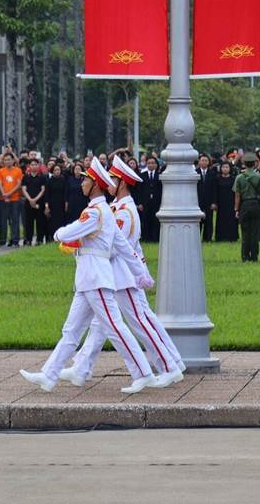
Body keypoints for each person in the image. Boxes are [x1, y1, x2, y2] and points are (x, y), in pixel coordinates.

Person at [20, 157, 157, 394]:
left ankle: (143, 373)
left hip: (96, 278)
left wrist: (59, 234)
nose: (82, 183)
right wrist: (140, 272)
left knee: (115, 328)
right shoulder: (104, 211)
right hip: (88, 278)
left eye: (86, 180)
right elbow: (125, 247)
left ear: (95, 185)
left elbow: (69, 233)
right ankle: (49, 375)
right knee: (71, 330)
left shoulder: (95, 213)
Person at [60, 155, 184, 387]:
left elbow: (117, 247)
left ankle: (170, 365)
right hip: (115, 273)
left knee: (139, 322)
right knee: (102, 324)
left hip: (122, 274)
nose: (108, 183)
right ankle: (81, 367)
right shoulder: (117, 208)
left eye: (113, 179)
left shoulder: (124, 211)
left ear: (123, 183)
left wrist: (83, 244)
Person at [233, 152, 260, 262]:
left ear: (244, 163)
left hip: (244, 205)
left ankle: (245, 257)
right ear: (255, 163)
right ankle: (254, 257)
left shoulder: (239, 177)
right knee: (255, 233)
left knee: (245, 233)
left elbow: (237, 195)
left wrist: (236, 209)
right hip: (256, 205)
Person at [0, 151, 23, 247]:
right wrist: (4, 194)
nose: (7, 161)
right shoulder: (0, 171)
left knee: (14, 220)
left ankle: (15, 240)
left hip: (15, 199)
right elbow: (0, 184)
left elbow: (19, 184)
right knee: (3, 220)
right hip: (3, 199)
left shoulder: (18, 170)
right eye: (5, 160)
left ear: (13, 160)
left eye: (9, 159)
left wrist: (9, 194)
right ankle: (2, 240)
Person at [21, 158, 47, 245]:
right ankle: (29, 239)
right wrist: (30, 200)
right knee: (29, 222)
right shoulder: (26, 177)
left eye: (36, 164)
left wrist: (35, 199)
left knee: (40, 221)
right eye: (32, 165)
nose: (34, 166)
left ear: (38, 166)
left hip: (39, 202)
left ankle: (39, 239)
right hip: (28, 203)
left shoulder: (42, 177)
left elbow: (43, 190)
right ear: (29, 166)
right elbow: (24, 189)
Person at [212, 161, 238, 241]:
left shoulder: (233, 179)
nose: (225, 169)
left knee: (231, 219)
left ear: (230, 169)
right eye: (223, 167)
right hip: (221, 202)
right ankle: (220, 237)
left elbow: (236, 192)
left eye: (227, 167)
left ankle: (232, 237)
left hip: (231, 202)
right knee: (221, 219)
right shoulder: (217, 179)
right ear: (221, 168)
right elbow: (215, 191)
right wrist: (214, 202)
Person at [138, 155, 162, 241]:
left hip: (157, 202)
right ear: (146, 164)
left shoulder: (160, 176)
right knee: (146, 220)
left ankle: (155, 238)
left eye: (152, 163)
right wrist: (140, 203)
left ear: (156, 164)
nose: (151, 165)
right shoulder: (142, 175)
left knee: (155, 220)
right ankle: (146, 238)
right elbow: (139, 190)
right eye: (149, 163)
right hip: (145, 202)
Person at [44, 162, 68, 238]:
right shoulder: (49, 181)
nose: (57, 171)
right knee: (53, 222)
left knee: (62, 221)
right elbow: (47, 195)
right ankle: (53, 237)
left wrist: (66, 204)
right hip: (52, 205)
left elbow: (66, 192)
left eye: (58, 170)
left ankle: (61, 237)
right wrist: (47, 207)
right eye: (55, 170)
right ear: (52, 171)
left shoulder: (63, 180)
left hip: (61, 204)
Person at [196, 153, 216, 242]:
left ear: (208, 162)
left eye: (206, 160)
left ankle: (207, 238)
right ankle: (196, 238)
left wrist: (214, 202)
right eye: (202, 160)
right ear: (199, 162)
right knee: (198, 221)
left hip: (209, 200)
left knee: (209, 221)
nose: (204, 162)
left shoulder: (212, 173)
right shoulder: (195, 173)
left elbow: (215, 189)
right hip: (198, 201)